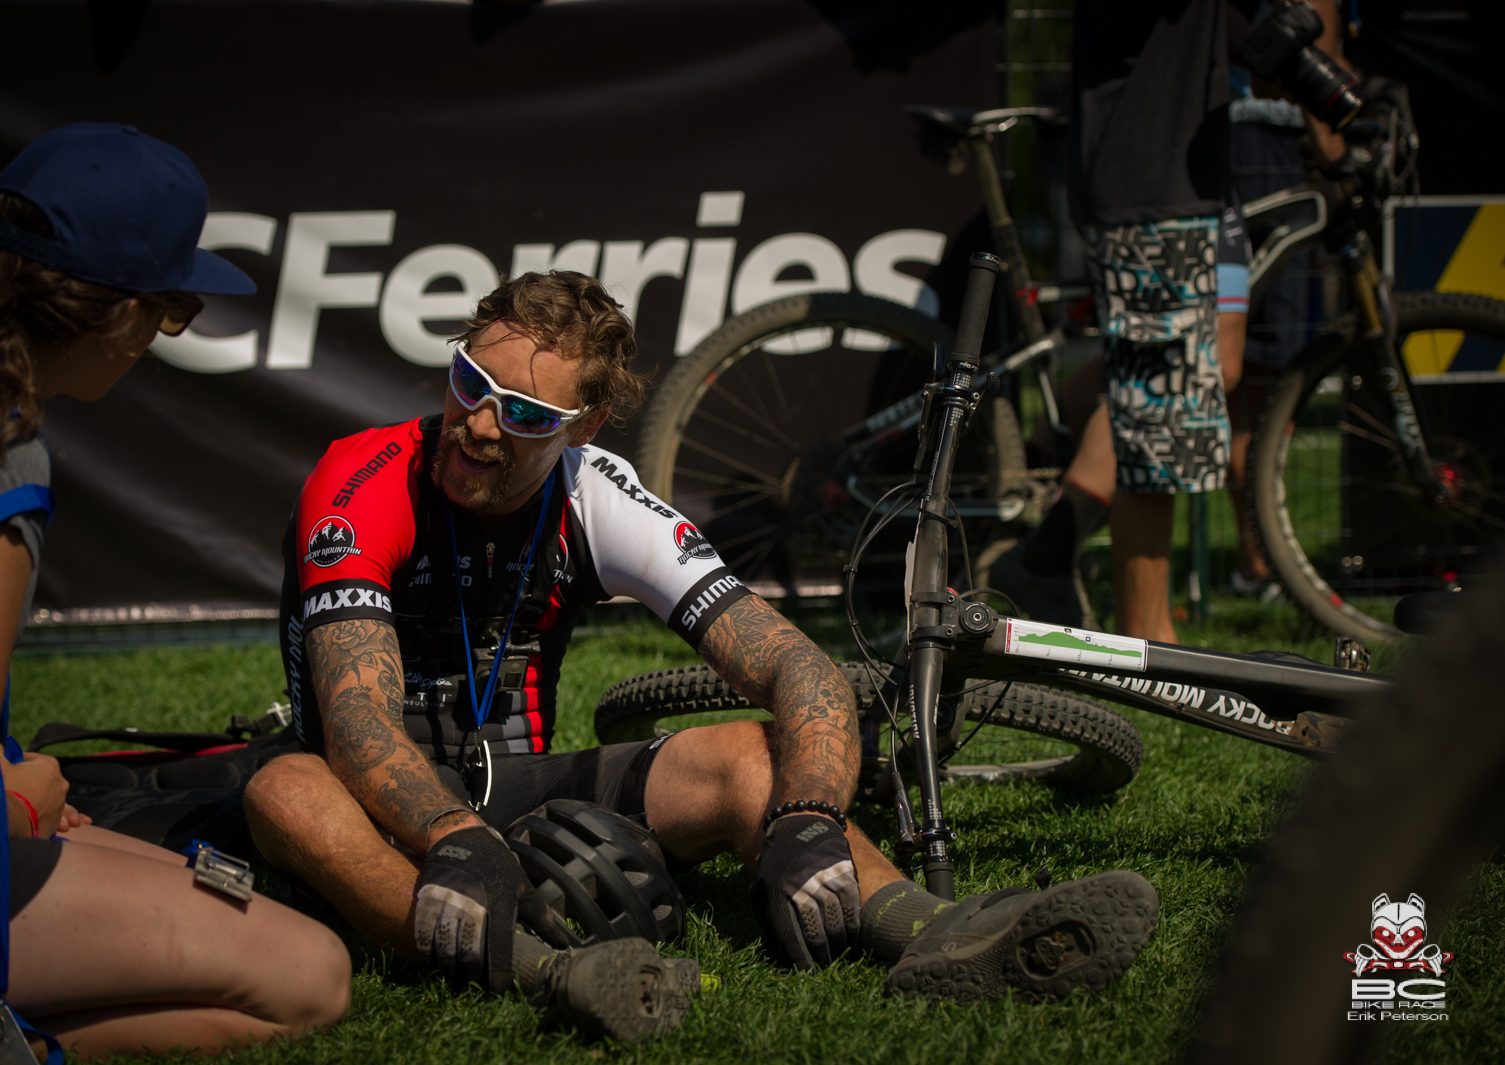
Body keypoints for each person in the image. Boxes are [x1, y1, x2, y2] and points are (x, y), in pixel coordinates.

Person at [244, 269, 1159, 1027]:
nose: (480, 425)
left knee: (754, 755)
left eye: (523, 414)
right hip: (368, 800)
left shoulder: (594, 492)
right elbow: (357, 727)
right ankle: (557, 979)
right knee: (286, 788)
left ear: (581, 428)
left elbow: (796, 666)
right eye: (470, 383)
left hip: (512, 790)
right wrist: (450, 832)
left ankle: (941, 934)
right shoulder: (363, 480)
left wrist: (806, 815)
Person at [0, 123, 351, 1062]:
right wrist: (21, 796)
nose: (157, 339)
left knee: (202, 878)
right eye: (173, 310)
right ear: (121, 315)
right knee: (309, 972)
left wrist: (1, 776)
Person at [987, 0, 1346, 641]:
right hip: (1150, 183)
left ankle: (1070, 571)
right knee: (1158, 416)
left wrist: (1293, 69)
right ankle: (1146, 637)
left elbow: (1222, 30)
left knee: (1183, 394)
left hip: (1187, 179)